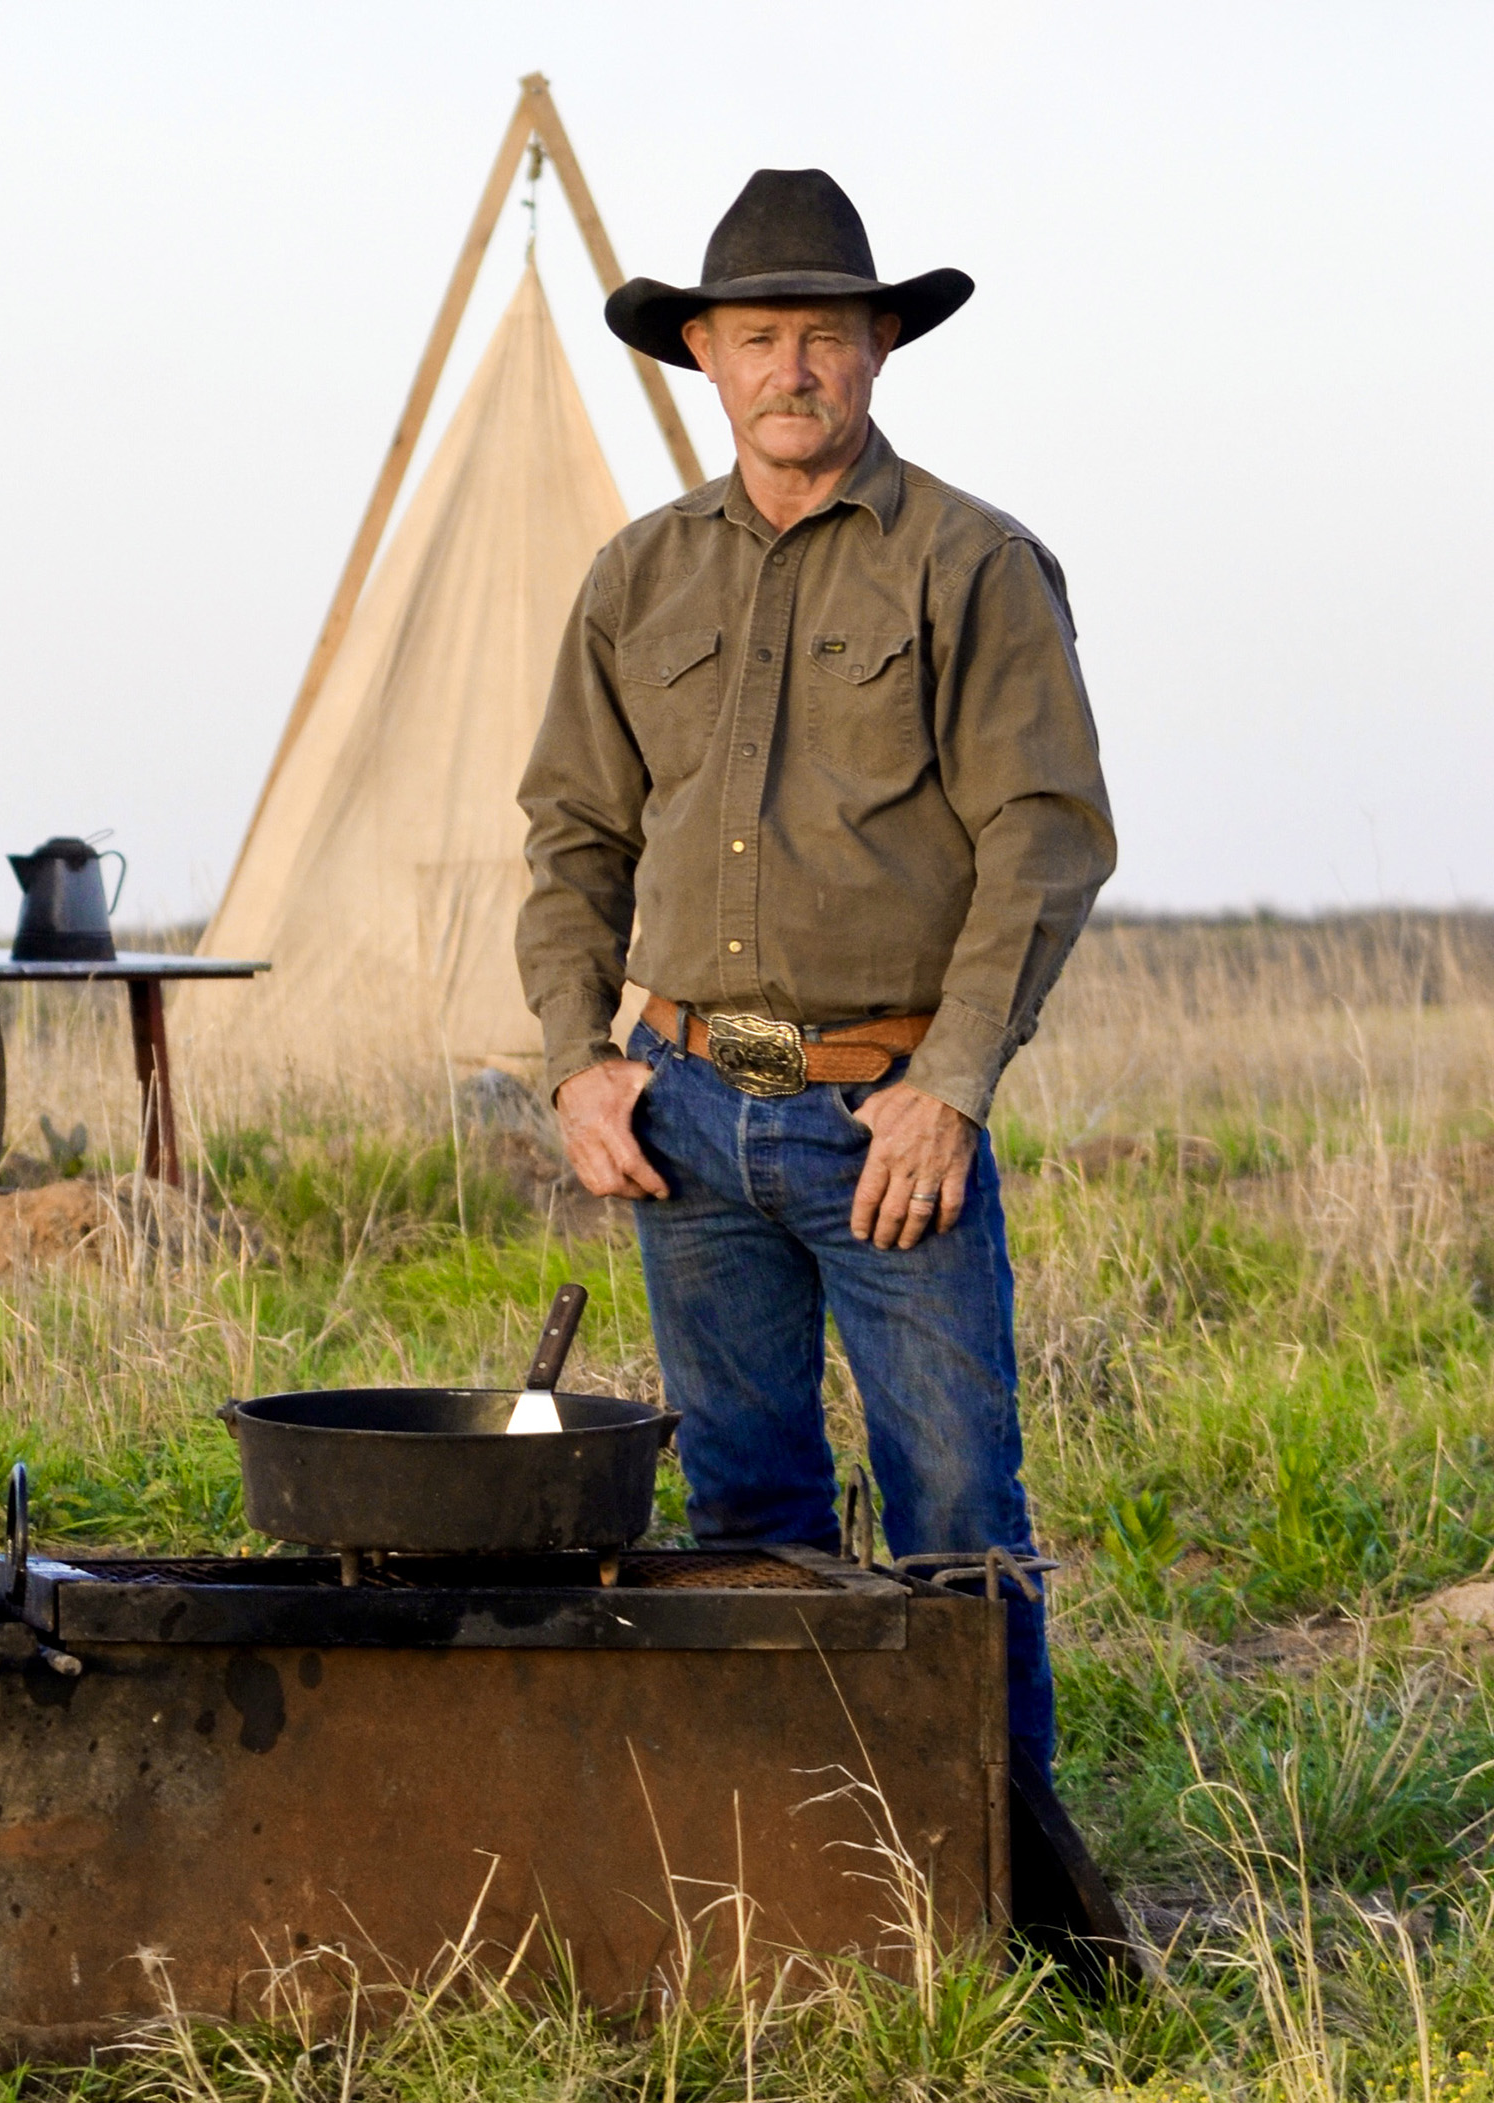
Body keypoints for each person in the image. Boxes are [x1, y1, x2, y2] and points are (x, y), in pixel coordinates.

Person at [513, 168, 1115, 1774]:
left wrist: (951, 1089)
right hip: (698, 1103)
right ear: (702, 355)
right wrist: (581, 1058)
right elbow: (571, 832)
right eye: (759, 335)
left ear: (879, 352)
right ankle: (783, 1864)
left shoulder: (974, 566)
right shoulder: (637, 578)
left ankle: (1001, 1883)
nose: (793, 368)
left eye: (826, 337)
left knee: (955, 1519)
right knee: (743, 1517)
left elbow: (1044, 841)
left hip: (881, 1120)